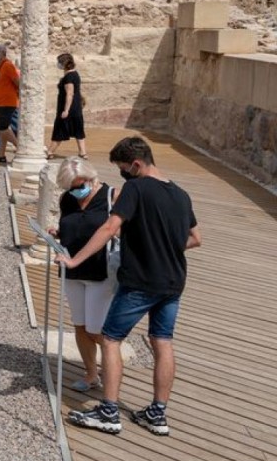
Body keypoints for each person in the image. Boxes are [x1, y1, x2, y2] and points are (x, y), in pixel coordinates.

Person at [64, 136, 201, 437]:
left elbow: (110, 227)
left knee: (111, 339)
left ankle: (109, 411)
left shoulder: (135, 188)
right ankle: (157, 413)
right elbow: (195, 238)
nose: (122, 174)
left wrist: (75, 260)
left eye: (124, 168)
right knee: (161, 341)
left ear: (136, 164)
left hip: (140, 281)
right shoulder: (180, 194)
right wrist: (164, 248)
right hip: (174, 280)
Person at [51, 157, 116, 393]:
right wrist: (57, 234)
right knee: (80, 325)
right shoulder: (67, 199)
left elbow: (115, 230)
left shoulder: (111, 196)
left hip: (100, 270)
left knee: (96, 330)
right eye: (71, 187)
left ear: (91, 178)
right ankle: (91, 374)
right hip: (71, 270)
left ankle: (112, 372)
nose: (76, 191)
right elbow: (73, 226)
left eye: (80, 185)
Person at [47, 52, 88, 159]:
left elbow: (70, 93)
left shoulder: (69, 76)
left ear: (64, 63)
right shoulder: (75, 74)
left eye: (59, 62)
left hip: (69, 108)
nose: (58, 64)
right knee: (78, 129)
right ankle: (83, 153)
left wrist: (66, 110)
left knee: (60, 129)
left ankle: (50, 152)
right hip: (76, 108)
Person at [0, 43, 20, 164]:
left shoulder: (7, 65)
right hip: (1, 103)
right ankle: (1, 155)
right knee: (2, 130)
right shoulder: (1, 66)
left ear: (2, 53)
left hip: (7, 103)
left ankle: (19, 147)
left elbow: (17, 81)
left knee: (3, 129)